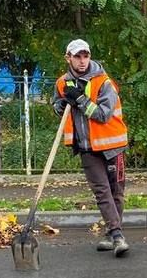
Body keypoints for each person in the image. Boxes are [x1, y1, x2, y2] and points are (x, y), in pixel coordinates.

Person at [54, 39, 130, 257]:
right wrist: (61, 105)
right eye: (77, 56)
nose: (82, 61)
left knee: (116, 193)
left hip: (113, 146)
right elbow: (57, 106)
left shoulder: (104, 82)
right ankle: (117, 235)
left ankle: (111, 234)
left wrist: (80, 99)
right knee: (102, 192)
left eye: (85, 56)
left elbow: (103, 115)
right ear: (68, 58)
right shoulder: (62, 83)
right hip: (86, 147)